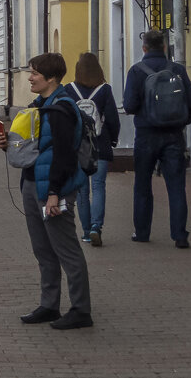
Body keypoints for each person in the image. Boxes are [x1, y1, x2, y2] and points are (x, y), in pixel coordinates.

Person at [0, 52, 92, 329]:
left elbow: (63, 156)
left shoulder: (61, 109)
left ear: (51, 78)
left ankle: (81, 311)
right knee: (43, 250)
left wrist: (53, 194)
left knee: (66, 250)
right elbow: (35, 147)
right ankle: (49, 305)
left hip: (52, 189)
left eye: (35, 73)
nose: (30, 77)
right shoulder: (39, 106)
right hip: (32, 183)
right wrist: (6, 144)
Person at [123, 29, 191, 247]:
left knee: (142, 185)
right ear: (164, 47)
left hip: (146, 135)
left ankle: (142, 232)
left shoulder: (136, 71)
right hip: (174, 136)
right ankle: (180, 235)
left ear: (144, 48)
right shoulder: (177, 69)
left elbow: (129, 105)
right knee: (176, 186)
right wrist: (180, 123)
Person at [68, 53, 121, 247]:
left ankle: (86, 232)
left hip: (79, 147)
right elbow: (113, 119)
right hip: (101, 144)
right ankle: (96, 227)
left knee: (82, 191)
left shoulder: (69, 90)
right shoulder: (105, 90)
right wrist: (113, 140)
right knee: (99, 187)